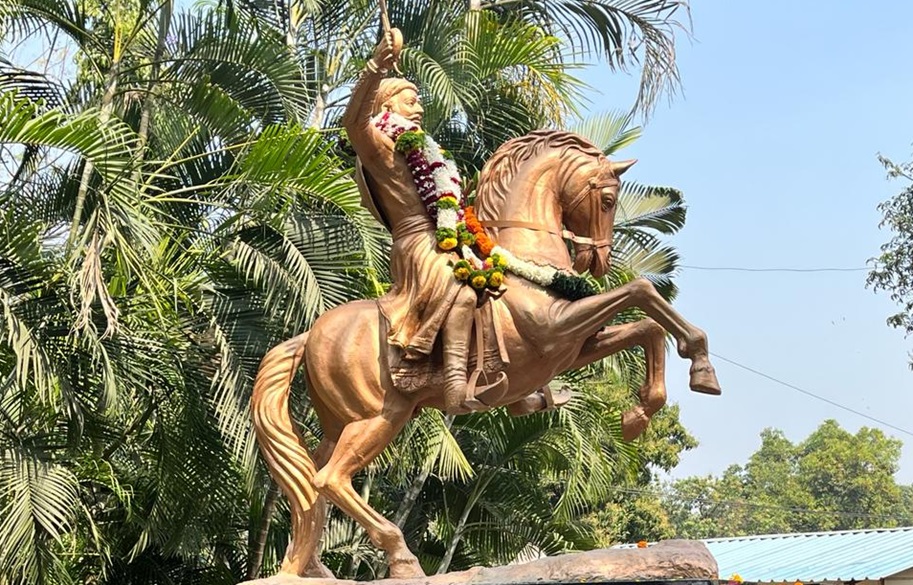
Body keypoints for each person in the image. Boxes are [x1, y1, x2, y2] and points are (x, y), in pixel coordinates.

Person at [343, 28, 567, 415]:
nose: (419, 107)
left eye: (418, 100)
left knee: (504, 290)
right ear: (387, 105)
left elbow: (449, 203)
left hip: (447, 237)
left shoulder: (427, 150)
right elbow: (352, 122)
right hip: (418, 243)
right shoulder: (379, 146)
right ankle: (455, 390)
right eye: (410, 100)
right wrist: (377, 66)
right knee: (461, 292)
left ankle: (518, 393)